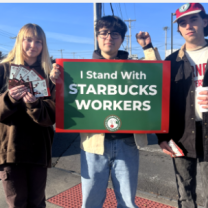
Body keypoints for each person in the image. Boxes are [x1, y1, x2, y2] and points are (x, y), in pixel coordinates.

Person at [50, 15, 160, 208]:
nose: (109, 37)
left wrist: (148, 48)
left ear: (122, 38)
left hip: (127, 143)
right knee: (91, 201)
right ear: (97, 37)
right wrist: (55, 79)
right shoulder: (79, 70)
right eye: (104, 33)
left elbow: (156, 74)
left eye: (115, 33)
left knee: (127, 203)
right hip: (93, 144)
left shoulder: (134, 67)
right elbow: (66, 99)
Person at [156, 3, 208, 208]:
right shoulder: (171, 62)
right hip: (180, 135)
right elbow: (161, 101)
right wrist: (162, 138)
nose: (188, 26)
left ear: (205, 21)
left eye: (193, 19)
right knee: (184, 193)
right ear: (178, 28)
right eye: (183, 22)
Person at [0, 23, 55, 208]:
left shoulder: (49, 75)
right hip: (10, 151)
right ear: (19, 42)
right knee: (17, 203)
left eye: (38, 41)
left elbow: (51, 116)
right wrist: (8, 99)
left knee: (38, 203)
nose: (33, 45)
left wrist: (34, 104)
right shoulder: (3, 70)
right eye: (28, 40)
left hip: (39, 151)